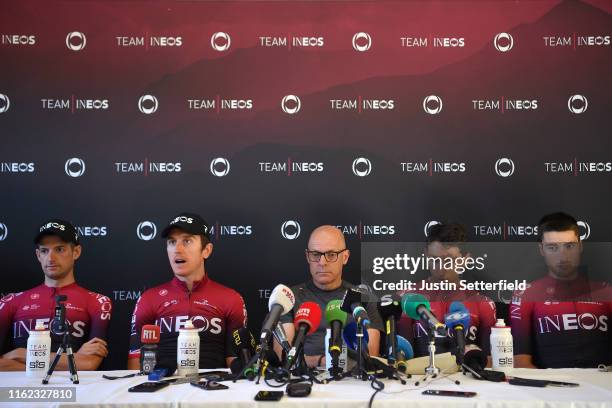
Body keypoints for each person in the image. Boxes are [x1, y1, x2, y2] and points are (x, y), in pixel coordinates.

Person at [127, 212, 247, 370]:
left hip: (213, 389)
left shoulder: (231, 299)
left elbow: (235, 363)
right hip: (160, 389)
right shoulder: (149, 298)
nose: (177, 249)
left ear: (206, 250)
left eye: (187, 241)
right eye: (172, 241)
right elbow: (135, 363)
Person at [0, 219, 112, 371]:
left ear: (76, 252)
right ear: (38, 255)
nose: (51, 258)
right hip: (19, 393)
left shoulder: (98, 302)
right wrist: (72, 360)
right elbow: (78, 363)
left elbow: (88, 364)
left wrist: (21, 354)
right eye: (45, 251)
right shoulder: (11, 302)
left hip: (77, 392)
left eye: (59, 249)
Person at [511, 212, 611, 368]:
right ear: (541, 250)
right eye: (552, 247)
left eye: (569, 246)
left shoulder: (606, 291)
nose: (562, 255)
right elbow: (520, 363)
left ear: (580, 246)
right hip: (551, 388)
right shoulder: (526, 294)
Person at [275, 225, 382, 368]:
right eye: (315, 254)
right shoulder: (288, 298)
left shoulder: (364, 299)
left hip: (353, 382)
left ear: (345, 257)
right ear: (308, 256)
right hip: (302, 378)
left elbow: (371, 357)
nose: (322, 262)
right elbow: (284, 357)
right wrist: (321, 361)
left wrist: (341, 365)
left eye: (331, 255)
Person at [397, 222, 496, 362]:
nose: (441, 269)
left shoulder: (483, 304)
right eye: (434, 260)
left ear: (465, 259)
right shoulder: (409, 299)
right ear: (425, 255)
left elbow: (492, 362)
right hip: (419, 381)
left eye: (448, 261)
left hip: (468, 382)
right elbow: (402, 360)